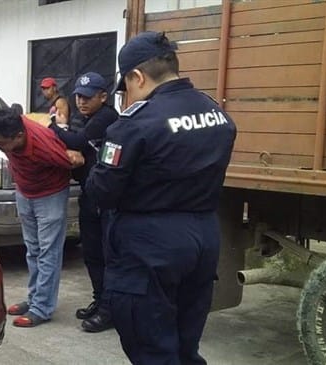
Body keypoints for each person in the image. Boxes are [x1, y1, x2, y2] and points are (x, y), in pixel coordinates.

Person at [86, 31, 237, 364]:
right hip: (203, 237)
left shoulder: (136, 124)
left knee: (151, 348)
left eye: (125, 87)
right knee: (186, 344)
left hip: (150, 245)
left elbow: (102, 191)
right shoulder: (215, 113)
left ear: (137, 76)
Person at [0, 106, 82, 328]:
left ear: (19, 136)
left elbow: (76, 162)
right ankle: (33, 298)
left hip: (50, 195)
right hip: (25, 191)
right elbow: (31, 116)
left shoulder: (45, 146)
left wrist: (75, 155)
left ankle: (42, 307)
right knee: (33, 249)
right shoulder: (16, 127)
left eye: (1, 143)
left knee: (49, 252)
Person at [49, 71, 118, 333]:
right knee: (91, 253)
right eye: (78, 96)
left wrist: (56, 127)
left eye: (88, 97)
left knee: (106, 254)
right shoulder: (89, 118)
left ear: (103, 96)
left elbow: (76, 141)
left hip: (106, 199)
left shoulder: (106, 118)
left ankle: (109, 310)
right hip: (91, 194)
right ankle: (100, 301)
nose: (81, 101)